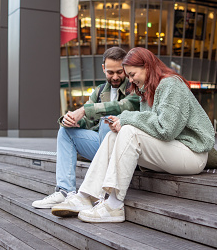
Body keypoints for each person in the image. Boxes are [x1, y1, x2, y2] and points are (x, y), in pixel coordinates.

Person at [51, 47, 215, 222]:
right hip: (172, 150)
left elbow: (166, 129)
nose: (129, 80)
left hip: (192, 154)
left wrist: (127, 119)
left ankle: (113, 205)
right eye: (128, 76)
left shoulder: (171, 84)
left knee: (128, 130)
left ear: (147, 67)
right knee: (114, 135)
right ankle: (85, 196)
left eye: (132, 74)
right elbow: (151, 126)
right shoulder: (146, 90)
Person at [32, 47, 140, 208]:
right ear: (103, 68)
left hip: (126, 151)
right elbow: (88, 121)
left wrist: (83, 110)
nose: (116, 77)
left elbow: (124, 106)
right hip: (102, 146)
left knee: (106, 122)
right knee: (65, 132)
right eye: (111, 72)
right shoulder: (100, 91)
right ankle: (65, 192)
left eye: (120, 72)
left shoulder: (134, 86)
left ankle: (101, 193)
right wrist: (72, 120)